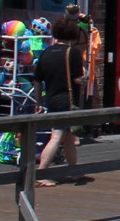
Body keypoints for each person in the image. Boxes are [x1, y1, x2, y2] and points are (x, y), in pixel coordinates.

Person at [33, 16, 88, 187]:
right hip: (67, 100)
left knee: (68, 137)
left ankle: (73, 171)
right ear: (72, 35)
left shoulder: (46, 52)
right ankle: (41, 173)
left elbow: (37, 80)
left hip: (51, 98)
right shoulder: (72, 53)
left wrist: (38, 102)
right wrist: (84, 77)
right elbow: (78, 80)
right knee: (57, 136)